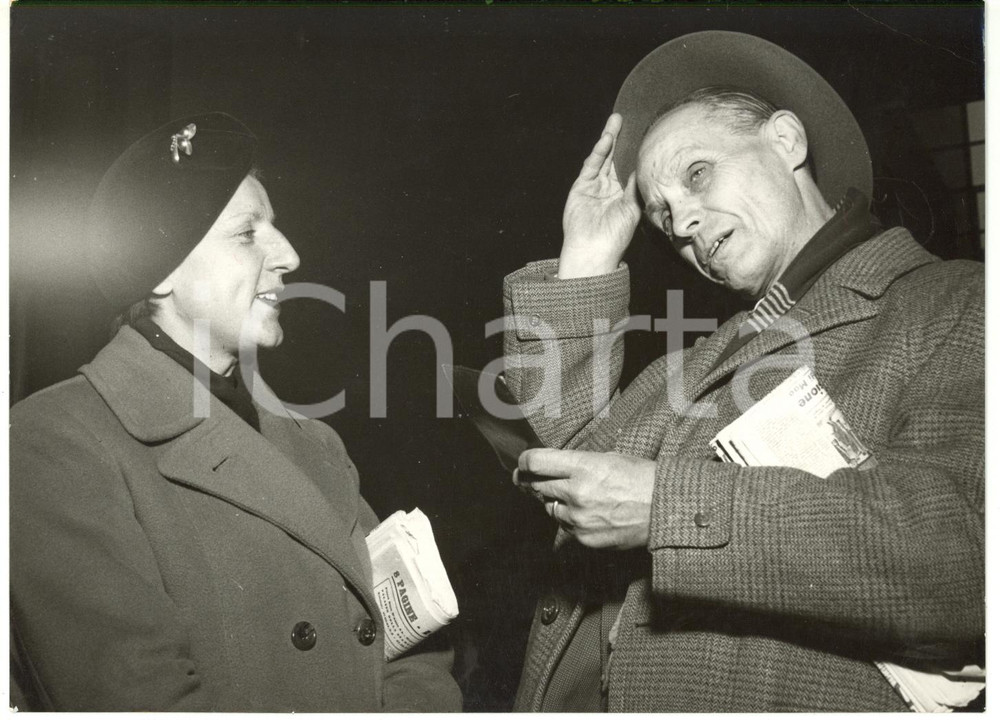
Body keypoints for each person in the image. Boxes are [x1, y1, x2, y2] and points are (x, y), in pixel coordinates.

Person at [502, 32, 983, 712]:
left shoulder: (958, 304)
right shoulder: (702, 359)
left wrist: (665, 509)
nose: (685, 221)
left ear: (787, 140)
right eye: (665, 218)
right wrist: (586, 260)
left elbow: (967, 560)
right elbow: (577, 460)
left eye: (697, 175)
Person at [10, 112, 463, 712]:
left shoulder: (315, 443)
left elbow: (409, 646)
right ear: (162, 271)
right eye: (248, 233)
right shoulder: (50, 444)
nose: (291, 255)